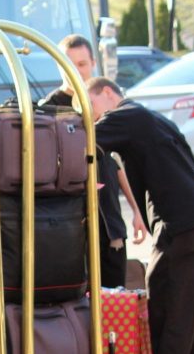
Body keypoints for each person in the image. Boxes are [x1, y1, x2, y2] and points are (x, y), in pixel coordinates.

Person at [85, 76, 194, 354]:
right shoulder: (156, 119)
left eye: (92, 108)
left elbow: (83, 142)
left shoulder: (126, 116)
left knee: (168, 309)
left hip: (175, 221)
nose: (94, 118)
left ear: (108, 95)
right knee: (191, 310)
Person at [38, 35, 144, 288]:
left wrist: (137, 210)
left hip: (109, 224)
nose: (76, 71)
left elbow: (117, 163)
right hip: (70, 226)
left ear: (94, 64)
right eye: (69, 65)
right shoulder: (47, 109)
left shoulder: (106, 102)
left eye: (82, 64)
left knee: (114, 297)